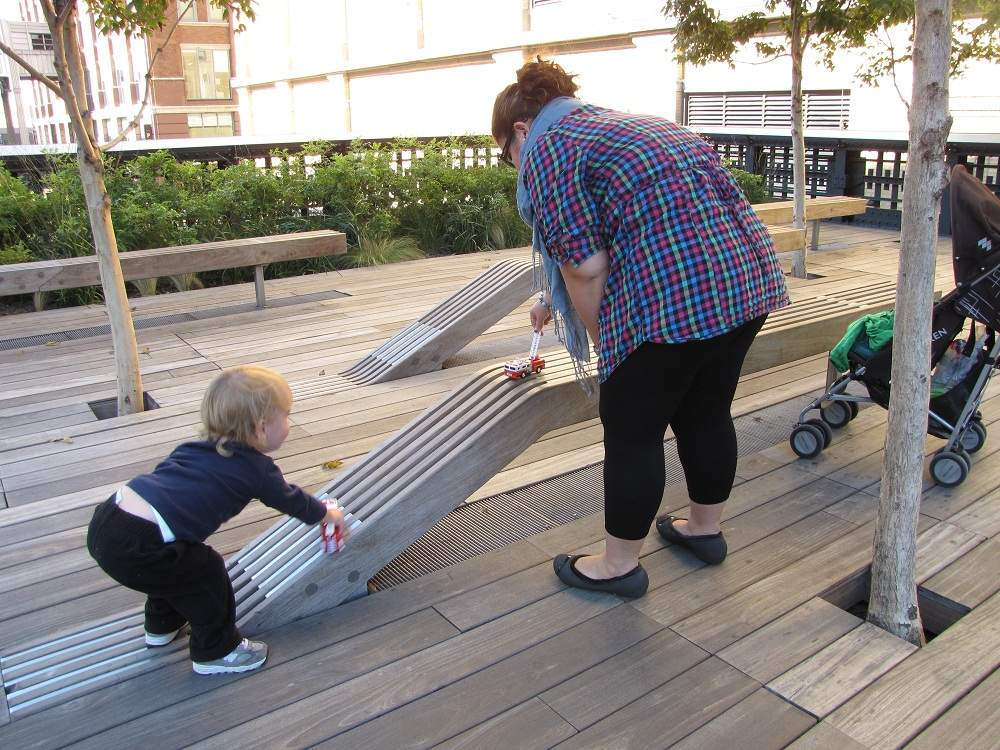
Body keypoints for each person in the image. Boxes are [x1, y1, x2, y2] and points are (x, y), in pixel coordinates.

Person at [493, 59, 789, 598]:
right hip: (747, 281)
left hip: (674, 296)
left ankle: (618, 566)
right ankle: (704, 530)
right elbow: (635, 220)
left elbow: (583, 265)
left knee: (633, 428)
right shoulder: (643, 125)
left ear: (521, 131)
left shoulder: (551, 147)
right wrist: (549, 299)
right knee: (706, 411)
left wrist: (611, 347)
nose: (514, 166)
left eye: (508, 156)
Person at [86, 365, 348, 674]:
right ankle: (216, 651)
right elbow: (290, 499)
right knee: (205, 570)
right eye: (287, 415)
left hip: (110, 519)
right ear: (261, 428)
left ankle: (161, 627)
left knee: (176, 563)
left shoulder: (194, 448)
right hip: (141, 540)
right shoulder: (256, 470)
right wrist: (326, 513)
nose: (289, 423)